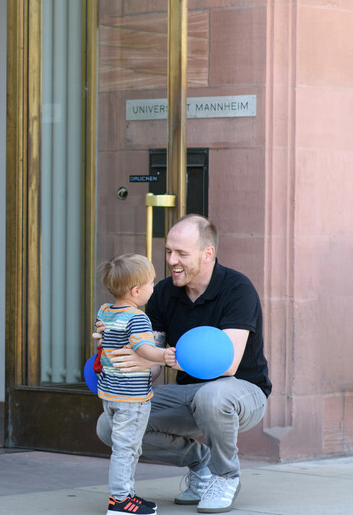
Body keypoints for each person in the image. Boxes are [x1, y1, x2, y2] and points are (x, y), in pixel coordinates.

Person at [95, 214, 270, 514]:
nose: (172, 260)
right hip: (186, 394)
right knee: (110, 426)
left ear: (208, 253)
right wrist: (122, 353)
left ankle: (225, 475)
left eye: (181, 254)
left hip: (240, 392)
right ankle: (200, 463)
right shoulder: (163, 292)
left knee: (212, 396)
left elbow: (226, 365)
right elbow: (152, 364)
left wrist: (162, 356)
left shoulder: (237, 289)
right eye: (168, 251)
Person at [95, 254, 175, 515]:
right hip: (131, 398)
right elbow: (144, 348)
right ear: (136, 290)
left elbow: (103, 338)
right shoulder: (138, 318)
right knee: (126, 449)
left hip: (110, 392)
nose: (154, 288)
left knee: (127, 447)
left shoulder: (105, 311)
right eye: (152, 283)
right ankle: (119, 501)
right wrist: (165, 356)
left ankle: (126, 495)